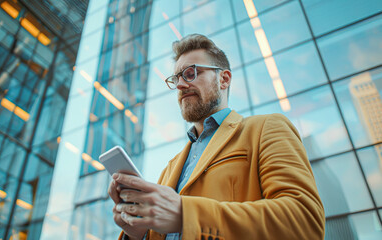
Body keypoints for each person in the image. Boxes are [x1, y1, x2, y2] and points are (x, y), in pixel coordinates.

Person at [108, 34, 325, 240]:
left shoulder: (265, 128)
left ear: (224, 79)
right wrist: (138, 234)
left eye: (191, 73)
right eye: (176, 79)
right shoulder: (169, 169)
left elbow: (304, 220)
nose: (181, 85)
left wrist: (185, 215)